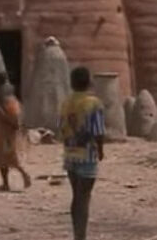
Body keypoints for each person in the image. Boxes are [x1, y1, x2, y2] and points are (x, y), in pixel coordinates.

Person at [58, 66, 106, 240]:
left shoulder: (66, 103)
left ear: (71, 83)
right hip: (87, 155)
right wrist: (100, 150)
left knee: (76, 196)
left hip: (70, 154)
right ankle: (81, 237)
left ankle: (77, 234)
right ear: (89, 82)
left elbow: (61, 128)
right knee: (84, 197)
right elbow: (98, 131)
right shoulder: (94, 103)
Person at [0, 72, 31, 191]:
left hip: (4, 132)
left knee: (7, 157)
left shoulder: (2, 95)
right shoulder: (10, 93)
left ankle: (20, 177)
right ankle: (8, 182)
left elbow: (4, 112)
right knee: (6, 157)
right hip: (5, 132)